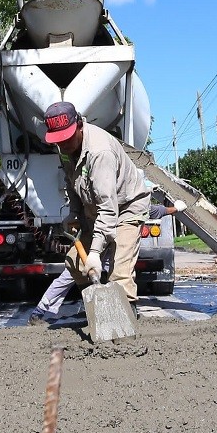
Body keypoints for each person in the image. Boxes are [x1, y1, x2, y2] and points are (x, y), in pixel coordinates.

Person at [41, 101, 151, 319]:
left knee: (119, 270)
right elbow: (71, 182)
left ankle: (127, 320)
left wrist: (94, 252)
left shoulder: (100, 153)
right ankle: (97, 311)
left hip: (126, 207)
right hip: (97, 210)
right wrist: (74, 213)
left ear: (80, 125)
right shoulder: (65, 150)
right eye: (59, 140)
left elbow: (108, 209)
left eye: (67, 138)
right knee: (74, 262)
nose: (63, 144)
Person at [26, 202, 187, 327]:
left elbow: (156, 210)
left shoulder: (132, 204)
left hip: (113, 250)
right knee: (70, 273)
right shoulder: (101, 202)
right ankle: (40, 312)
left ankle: (124, 313)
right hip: (94, 243)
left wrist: (175, 209)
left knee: (120, 276)